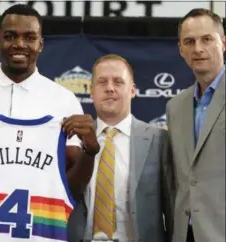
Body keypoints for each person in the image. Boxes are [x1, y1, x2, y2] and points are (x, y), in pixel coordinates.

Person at [0, 4, 99, 242]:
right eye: (10, 36)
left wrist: (91, 152)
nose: (19, 44)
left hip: (42, 233)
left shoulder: (64, 101)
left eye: (29, 37)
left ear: (40, 44)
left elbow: (71, 188)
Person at [73, 54, 174, 242]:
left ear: (133, 90)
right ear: (91, 92)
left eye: (118, 82)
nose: (110, 88)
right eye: (102, 82)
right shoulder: (74, 139)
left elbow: (172, 210)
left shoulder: (158, 139)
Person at [166, 8, 225, 242]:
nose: (198, 49)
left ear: (223, 43)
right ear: (181, 49)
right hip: (185, 233)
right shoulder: (175, 107)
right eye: (189, 41)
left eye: (207, 39)